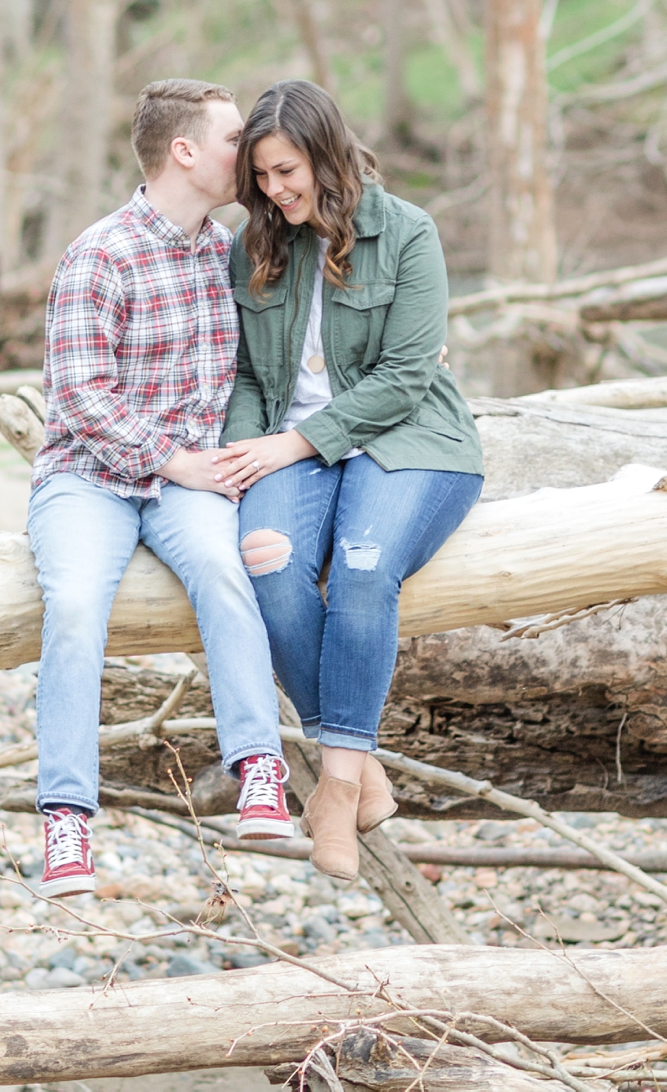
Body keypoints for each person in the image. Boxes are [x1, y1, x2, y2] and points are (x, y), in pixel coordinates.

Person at [27, 78, 293, 898]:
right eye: (229, 140)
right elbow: (77, 394)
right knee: (74, 604)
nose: (245, 154)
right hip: (89, 478)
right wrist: (175, 460)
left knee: (224, 571)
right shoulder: (101, 252)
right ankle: (66, 818)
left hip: (190, 483)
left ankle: (258, 765)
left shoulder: (228, 250)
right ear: (183, 151)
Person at [215, 79, 484, 882]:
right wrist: (243, 453)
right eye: (261, 177)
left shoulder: (406, 232)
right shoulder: (255, 244)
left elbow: (405, 376)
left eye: (288, 171)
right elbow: (243, 378)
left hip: (407, 441)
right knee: (265, 557)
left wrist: (296, 444)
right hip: (286, 449)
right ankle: (361, 762)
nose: (276, 191)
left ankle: (334, 788)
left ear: (327, 155)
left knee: (364, 569)